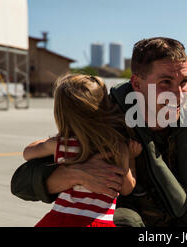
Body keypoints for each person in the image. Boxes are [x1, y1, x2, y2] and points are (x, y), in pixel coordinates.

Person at [11, 37, 187, 227]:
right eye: (165, 82)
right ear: (137, 83)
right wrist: (74, 173)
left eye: (184, 82)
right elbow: (21, 183)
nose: (178, 94)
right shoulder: (106, 117)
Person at [22, 74, 141, 227]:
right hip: (98, 220)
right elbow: (127, 188)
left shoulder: (62, 144)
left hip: (60, 219)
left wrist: (50, 140)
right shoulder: (117, 148)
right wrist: (131, 159)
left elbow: (28, 153)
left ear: (62, 114)